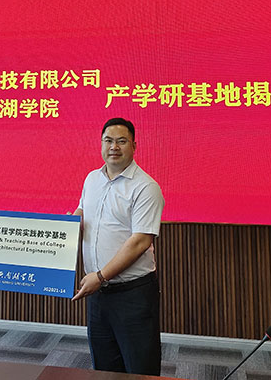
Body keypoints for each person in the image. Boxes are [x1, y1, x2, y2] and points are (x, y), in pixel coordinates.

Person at [71, 117, 165, 375]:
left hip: (132, 295)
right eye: (108, 141)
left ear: (134, 146)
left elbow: (140, 241)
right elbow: (82, 211)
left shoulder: (146, 187)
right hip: (98, 294)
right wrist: (70, 223)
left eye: (121, 141)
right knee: (104, 367)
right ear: (101, 144)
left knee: (139, 368)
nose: (114, 147)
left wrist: (101, 276)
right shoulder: (92, 179)